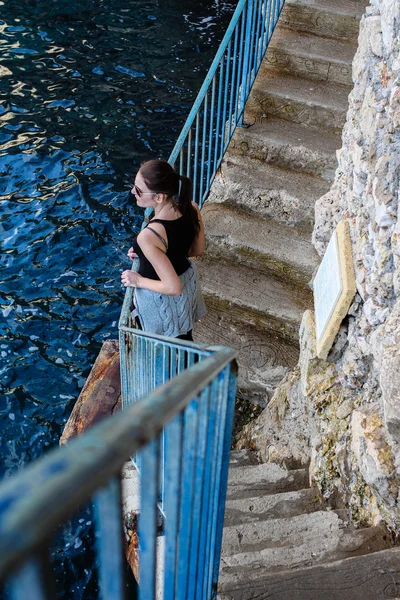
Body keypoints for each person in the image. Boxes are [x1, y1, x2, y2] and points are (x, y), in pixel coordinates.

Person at [121, 159, 206, 341]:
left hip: (164, 302)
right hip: (188, 284)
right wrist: (148, 254)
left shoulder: (150, 235)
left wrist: (138, 280)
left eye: (138, 190)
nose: (132, 192)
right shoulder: (192, 208)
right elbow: (196, 249)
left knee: (167, 349)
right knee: (184, 340)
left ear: (159, 197)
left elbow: (172, 287)